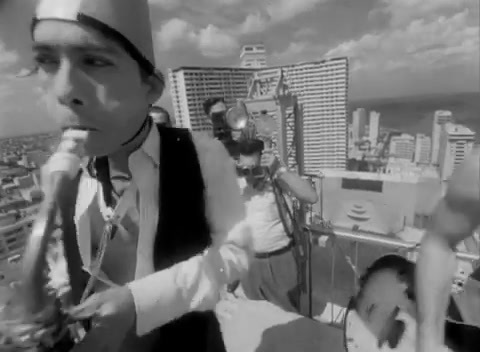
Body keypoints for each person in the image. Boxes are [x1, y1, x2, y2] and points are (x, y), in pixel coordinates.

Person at [32, 0, 252, 351]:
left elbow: (236, 252)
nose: (63, 91)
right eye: (46, 60)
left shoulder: (202, 153)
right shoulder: (63, 168)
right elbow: (69, 254)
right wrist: (58, 297)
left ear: (150, 88)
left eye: (94, 60)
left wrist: (141, 302)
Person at [234, 138, 318, 313]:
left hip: (279, 260)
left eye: (254, 169)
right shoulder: (236, 183)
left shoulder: (276, 179)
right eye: (244, 170)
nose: (249, 175)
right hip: (249, 262)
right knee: (255, 312)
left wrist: (279, 169)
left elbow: (310, 196)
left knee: (287, 313)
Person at [416, 147, 480, 352]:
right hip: (435, 250)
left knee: (436, 324)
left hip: (445, 251)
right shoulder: (474, 167)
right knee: (429, 326)